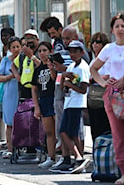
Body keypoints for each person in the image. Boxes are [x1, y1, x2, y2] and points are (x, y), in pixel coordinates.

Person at [90, 14, 124, 185]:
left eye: (123, 26)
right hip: (113, 95)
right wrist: (103, 83)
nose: (120, 29)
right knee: (118, 136)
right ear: (112, 29)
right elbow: (93, 68)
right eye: (117, 26)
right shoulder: (108, 48)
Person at [49, 40, 91, 174]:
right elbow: (64, 88)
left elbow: (83, 89)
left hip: (77, 104)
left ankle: (78, 157)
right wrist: (63, 79)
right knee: (70, 133)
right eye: (70, 52)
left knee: (66, 132)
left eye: (75, 52)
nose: (72, 54)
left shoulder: (83, 67)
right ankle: (79, 158)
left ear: (82, 53)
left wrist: (69, 85)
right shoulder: (71, 66)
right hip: (69, 102)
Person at [31, 42, 57, 168]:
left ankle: (64, 157)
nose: (42, 53)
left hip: (55, 98)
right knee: (49, 131)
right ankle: (51, 157)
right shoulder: (37, 70)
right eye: (40, 51)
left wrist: (52, 67)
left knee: (59, 130)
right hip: (44, 99)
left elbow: (55, 79)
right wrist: (36, 107)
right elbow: (34, 89)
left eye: (44, 50)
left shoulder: (55, 66)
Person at [0, 36, 21, 159]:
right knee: (10, 122)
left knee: (22, 121)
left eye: (18, 46)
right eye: (14, 47)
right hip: (9, 92)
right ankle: (10, 149)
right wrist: (10, 76)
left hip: (21, 92)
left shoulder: (24, 60)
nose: (16, 49)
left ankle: (22, 148)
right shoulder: (6, 60)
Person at [87, 32, 111, 142]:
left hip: (104, 94)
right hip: (92, 96)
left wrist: (96, 78)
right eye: (93, 42)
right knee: (94, 126)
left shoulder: (108, 60)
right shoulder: (93, 60)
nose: (95, 44)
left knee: (105, 125)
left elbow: (110, 75)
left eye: (98, 42)